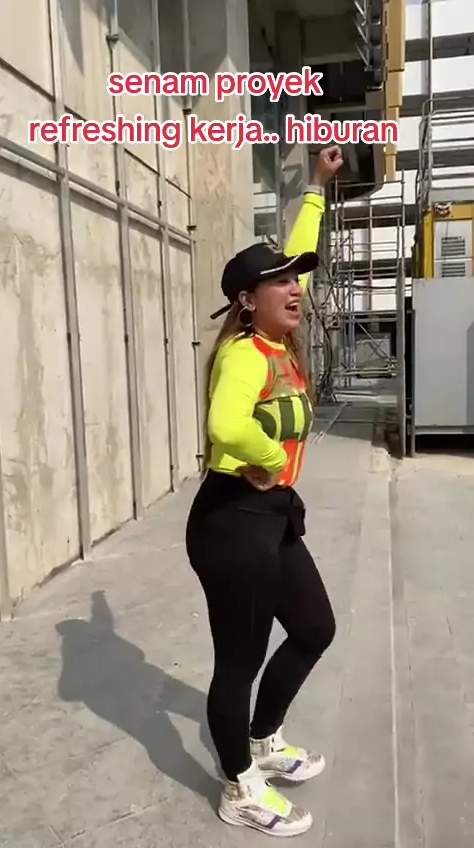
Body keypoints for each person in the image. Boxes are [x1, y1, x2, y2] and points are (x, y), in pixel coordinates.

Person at [185, 145, 343, 837]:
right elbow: (225, 424)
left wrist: (316, 187)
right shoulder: (244, 353)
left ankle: (262, 738)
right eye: (278, 282)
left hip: (273, 514)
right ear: (247, 302)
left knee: (313, 629)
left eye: (293, 279)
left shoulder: (278, 341)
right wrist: (267, 456)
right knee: (239, 661)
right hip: (233, 520)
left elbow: (300, 256)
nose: (294, 287)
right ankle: (239, 786)